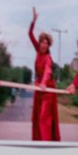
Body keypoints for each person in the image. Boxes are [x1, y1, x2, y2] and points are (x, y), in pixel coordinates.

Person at [28, 8, 61, 141]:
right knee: (36, 118)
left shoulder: (48, 58)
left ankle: (46, 143)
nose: (43, 45)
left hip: (47, 89)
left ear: (48, 46)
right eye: (42, 42)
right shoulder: (38, 50)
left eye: (46, 43)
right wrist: (34, 21)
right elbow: (30, 34)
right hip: (39, 88)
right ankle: (38, 142)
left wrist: (43, 83)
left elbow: (47, 71)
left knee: (44, 119)